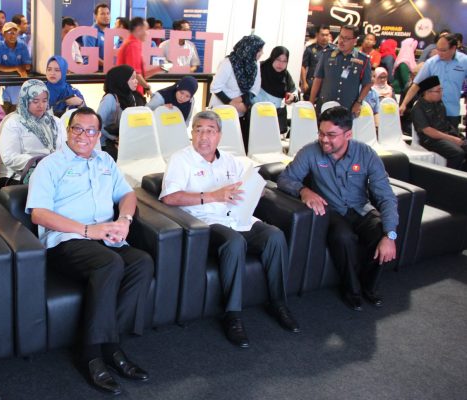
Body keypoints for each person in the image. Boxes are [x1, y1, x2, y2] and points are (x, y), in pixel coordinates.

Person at [26, 106, 153, 395]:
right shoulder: (50, 165)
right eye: (78, 129)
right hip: (66, 240)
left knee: (141, 262)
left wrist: (125, 220)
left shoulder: (105, 160)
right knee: (110, 263)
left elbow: (127, 194)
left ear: (98, 135)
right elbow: (39, 214)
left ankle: (111, 344)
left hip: (104, 237)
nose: (83, 135)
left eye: (91, 131)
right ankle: (91, 355)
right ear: (68, 131)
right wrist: (86, 230)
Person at [160, 110, 299, 347]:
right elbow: (169, 198)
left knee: (275, 236)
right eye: (198, 130)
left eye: (210, 131)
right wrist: (212, 195)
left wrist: (256, 190)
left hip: (238, 218)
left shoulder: (230, 160)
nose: (204, 136)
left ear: (219, 135)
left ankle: (278, 303)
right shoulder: (181, 160)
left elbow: (246, 187)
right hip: (206, 222)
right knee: (234, 242)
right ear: (191, 133)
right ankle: (232, 315)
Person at [277, 106, 398, 311]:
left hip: (360, 208)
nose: (324, 140)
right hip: (331, 211)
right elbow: (285, 179)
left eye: (331, 135)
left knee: (380, 234)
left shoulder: (366, 154)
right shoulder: (310, 152)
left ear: (348, 134)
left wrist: (390, 235)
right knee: (343, 237)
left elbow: (386, 196)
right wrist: (303, 190)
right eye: (321, 133)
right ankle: (352, 291)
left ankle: (368, 286)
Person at [0, 79, 65, 187]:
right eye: (35, 101)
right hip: (19, 177)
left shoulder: (56, 122)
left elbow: (64, 151)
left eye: (44, 101)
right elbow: (9, 157)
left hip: (53, 174)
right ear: (25, 100)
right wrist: (38, 163)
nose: (41, 105)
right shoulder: (13, 123)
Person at [399, 34, 467, 129]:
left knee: (452, 137)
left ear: (453, 48)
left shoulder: (464, 61)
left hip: (452, 111)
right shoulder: (431, 63)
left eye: (443, 50)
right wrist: (404, 104)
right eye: (438, 49)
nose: (439, 53)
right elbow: (416, 84)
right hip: (433, 111)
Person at [209, 34, 265, 147]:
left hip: (241, 110)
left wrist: (240, 102)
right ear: (250, 50)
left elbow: (255, 89)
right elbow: (215, 87)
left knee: (238, 145)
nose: (262, 53)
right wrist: (231, 103)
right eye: (259, 50)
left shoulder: (255, 64)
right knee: (221, 145)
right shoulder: (228, 63)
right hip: (222, 110)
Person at [310, 25, 372, 116]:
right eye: (341, 37)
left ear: (355, 41)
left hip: (347, 108)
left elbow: (367, 84)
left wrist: (359, 102)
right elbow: (318, 79)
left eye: (347, 38)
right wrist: (311, 103)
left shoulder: (363, 59)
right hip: (325, 106)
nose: (342, 41)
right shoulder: (327, 54)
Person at [411, 76, 467, 170]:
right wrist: (452, 139)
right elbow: (428, 131)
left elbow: (444, 122)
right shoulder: (418, 108)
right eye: (438, 91)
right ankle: (449, 176)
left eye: (441, 90)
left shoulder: (439, 103)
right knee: (457, 153)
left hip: (447, 134)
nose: (441, 93)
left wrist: (455, 136)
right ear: (427, 92)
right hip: (431, 140)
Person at [97, 65, 146, 159]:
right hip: (106, 144)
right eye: (133, 78)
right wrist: (114, 138)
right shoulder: (109, 99)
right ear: (122, 80)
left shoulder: (132, 97)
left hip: (124, 141)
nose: (136, 81)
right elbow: (97, 123)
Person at [0, 22, 32, 114]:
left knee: (18, 113)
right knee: (2, 114)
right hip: (2, 84)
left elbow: (27, 65)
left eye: (14, 32)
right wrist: (16, 68)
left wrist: (21, 68)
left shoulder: (22, 45)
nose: (12, 35)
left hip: (18, 85)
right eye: (9, 32)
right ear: (3, 34)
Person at [117, 17, 164, 96]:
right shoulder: (132, 45)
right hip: (130, 94)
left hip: (132, 93)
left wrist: (160, 68)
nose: (148, 33)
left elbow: (139, 73)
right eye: (146, 29)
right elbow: (134, 74)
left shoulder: (134, 43)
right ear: (138, 29)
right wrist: (147, 87)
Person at [256, 46, 298, 134]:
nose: (280, 64)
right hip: (258, 114)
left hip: (277, 117)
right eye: (278, 59)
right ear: (272, 58)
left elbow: (294, 92)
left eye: (284, 61)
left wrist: (292, 97)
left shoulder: (285, 75)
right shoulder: (259, 69)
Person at [301, 25, 335, 100]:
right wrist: (304, 82)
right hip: (312, 83)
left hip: (327, 85)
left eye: (327, 35)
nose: (325, 37)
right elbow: (303, 66)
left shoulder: (334, 50)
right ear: (317, 35)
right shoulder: (310, 49)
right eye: (322, 35)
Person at [82, 3, 111, 69]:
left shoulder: (107, 33)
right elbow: (91, 56)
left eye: (108, 13)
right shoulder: (90, 33)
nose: (106, 16)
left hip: (105, 71)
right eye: (102, 14)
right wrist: (109, 65)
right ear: (95, 16)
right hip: (93, 73)